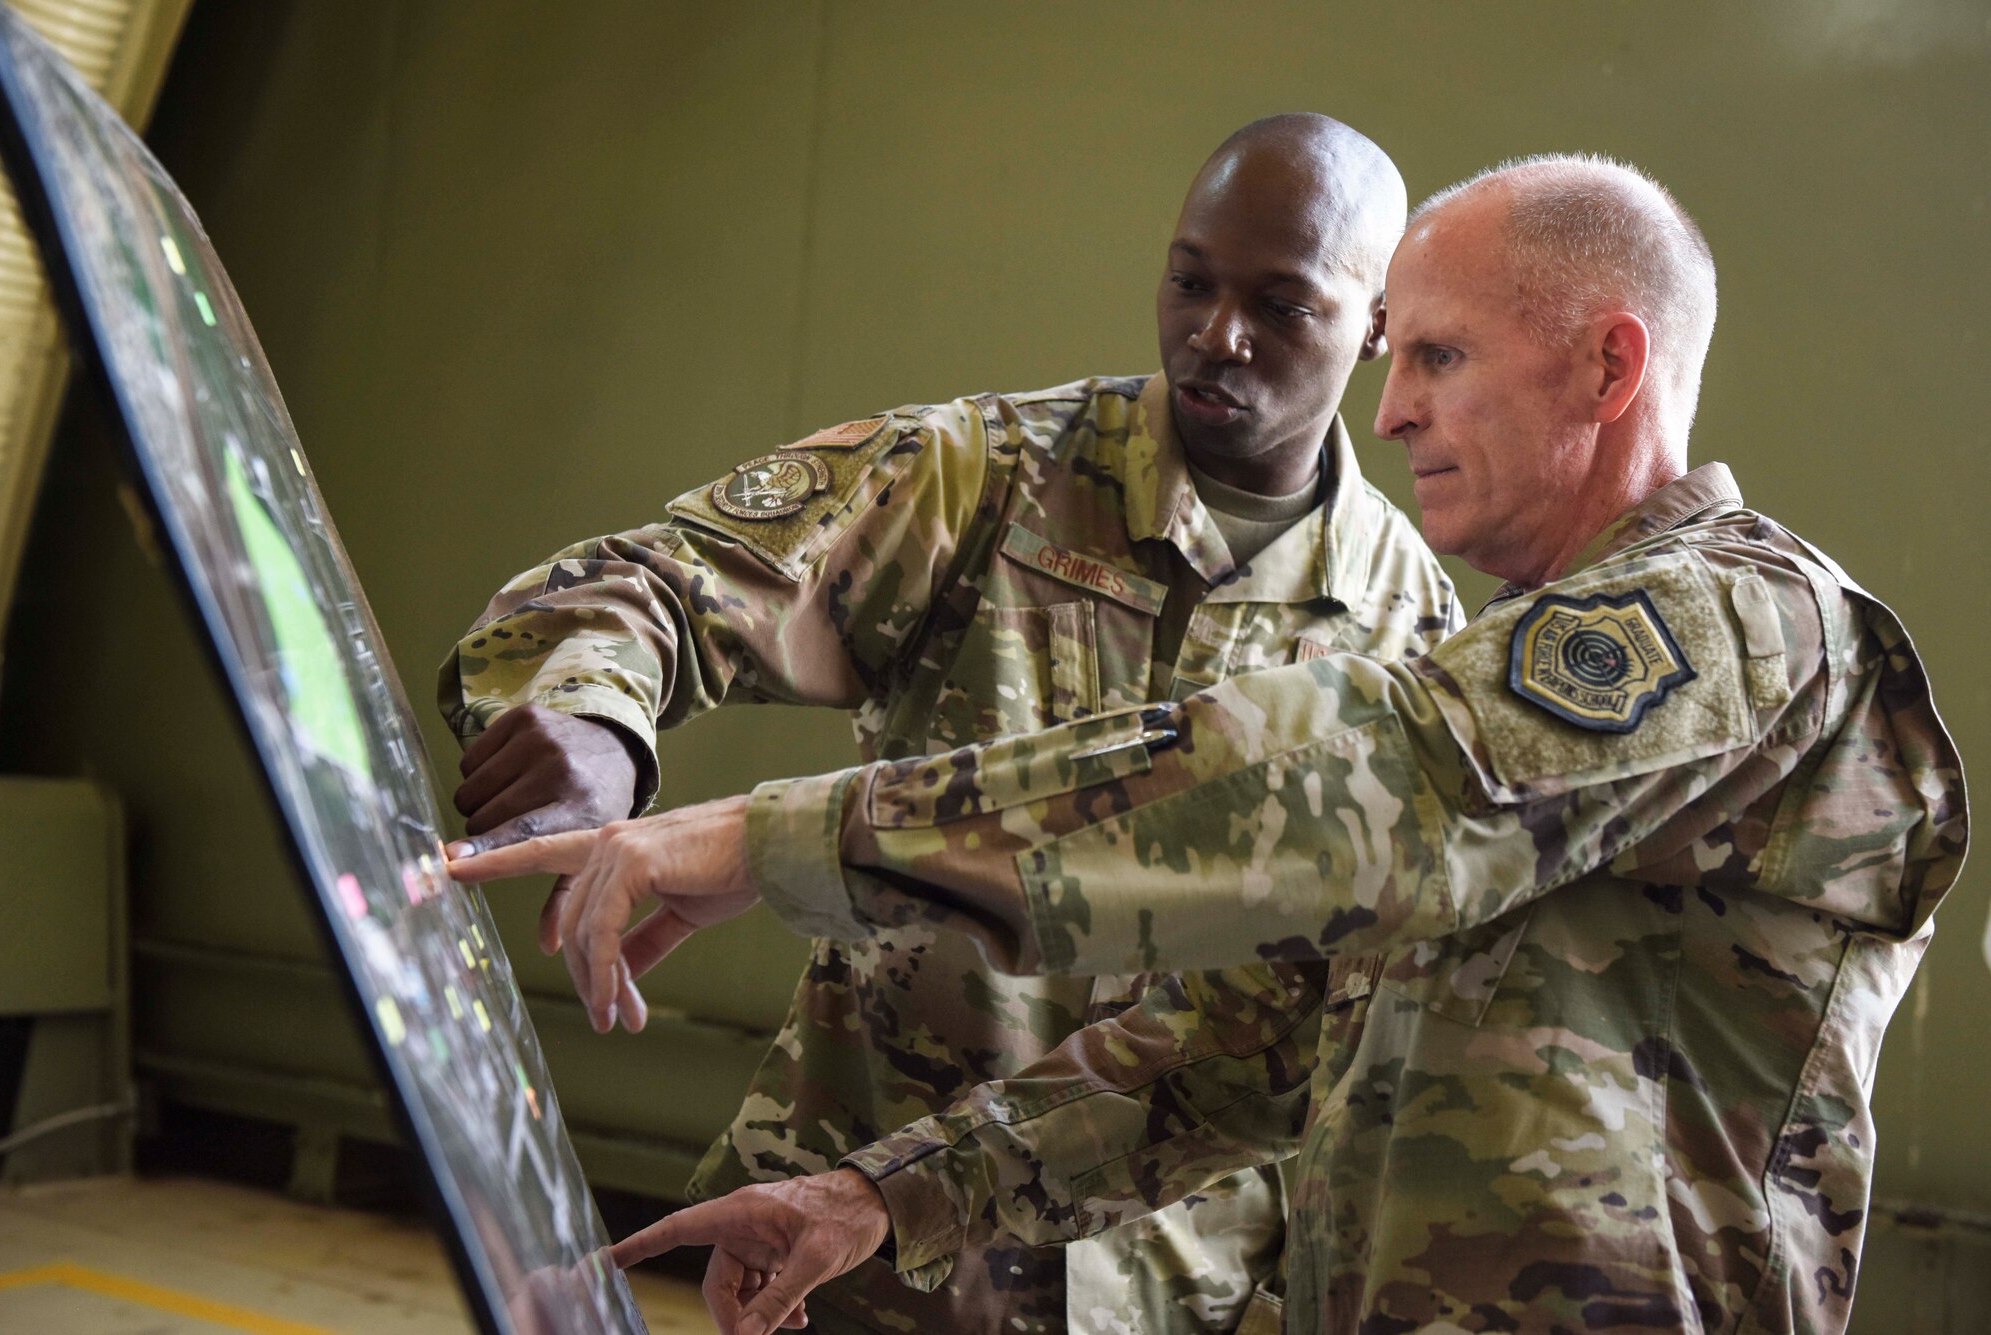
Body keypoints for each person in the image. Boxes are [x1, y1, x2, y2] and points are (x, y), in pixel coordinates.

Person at [451, 155, 1969, 1335]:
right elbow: (1258, 1035)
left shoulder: (1743, 631)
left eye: (1436, 356)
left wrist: (776, 838)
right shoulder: (1485, 672)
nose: (1391, 412)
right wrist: (878, 1194)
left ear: (1607, 367)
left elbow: (1354, 784)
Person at [438, 114, 1460, 1333]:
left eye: (1281, 307)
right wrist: (594, 717)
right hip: (860, 1247)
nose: (1214, 334)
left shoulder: (1410, 626)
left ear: (1381, 323)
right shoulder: (986, 479)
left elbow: (1348, 1012)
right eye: (1189, 281)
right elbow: (649, 584)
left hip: (1177, 1285)